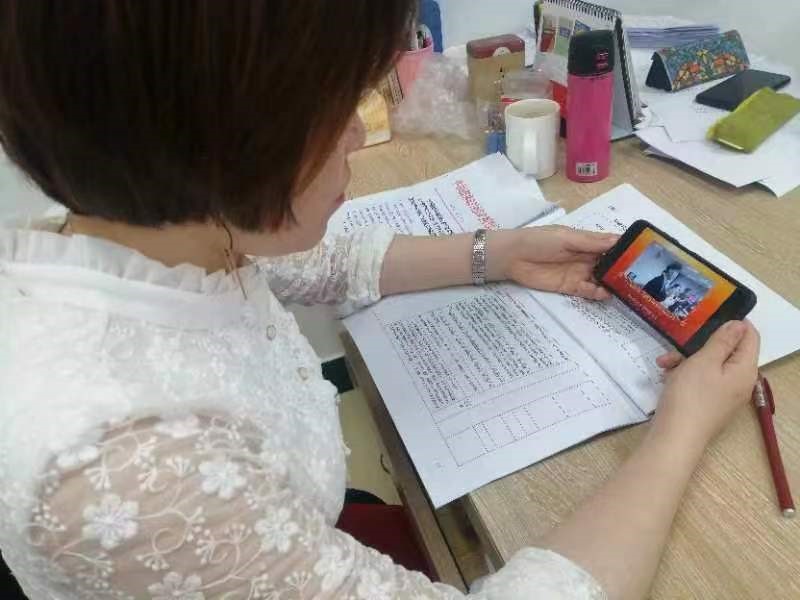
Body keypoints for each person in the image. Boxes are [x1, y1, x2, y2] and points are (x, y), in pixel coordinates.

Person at [0, 2, 759, 599]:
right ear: (217, 133)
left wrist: (496, 253)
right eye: (335, 108)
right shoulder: (131, 473)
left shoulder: (143, 237)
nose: (356, 140)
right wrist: (682, 428)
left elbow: (309, 263)